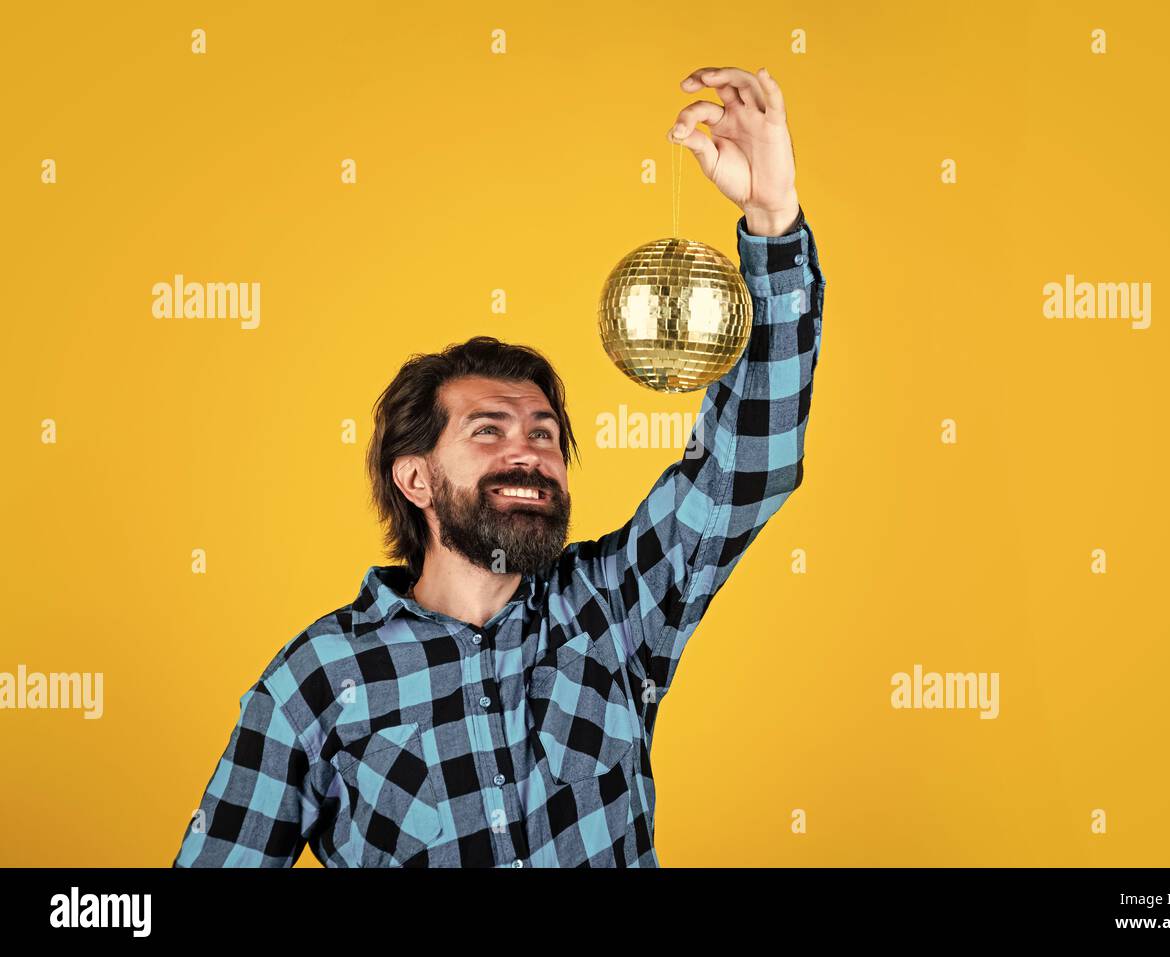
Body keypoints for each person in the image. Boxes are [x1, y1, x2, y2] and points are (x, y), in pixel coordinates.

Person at [173, 64, 827, 867]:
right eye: (488, 430)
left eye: (546, 433)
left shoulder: (611, 612)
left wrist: (772, 219)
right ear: (415, 479)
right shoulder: (317, 681)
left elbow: (749, 466)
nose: (530, 450)